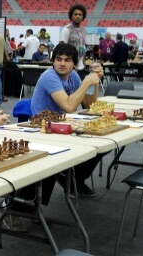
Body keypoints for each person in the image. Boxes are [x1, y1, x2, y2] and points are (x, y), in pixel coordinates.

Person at [31, 43, 103, 197]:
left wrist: (95, 81)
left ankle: (74, 179)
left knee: (102, 145)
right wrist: (86, 82)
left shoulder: (73, 76)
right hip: (43, 128)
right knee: (90, 145)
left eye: (67, 60)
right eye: (58, 59)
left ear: (74, 64)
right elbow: (69, 106)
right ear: (53, 61)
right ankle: (68, 178)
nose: (62, 63)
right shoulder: (49, 76)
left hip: (62, 125)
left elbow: (89, 105)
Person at [60, 4, 87, 71]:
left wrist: (84, 62)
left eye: (80, 15)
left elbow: (83, 46)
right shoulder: (67, 29)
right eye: (75, 14)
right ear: (71, 16)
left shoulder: (83, 30)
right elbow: (61, 47)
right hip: (70, 65)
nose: (78, 16)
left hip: (81, 66)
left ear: (83, 17)